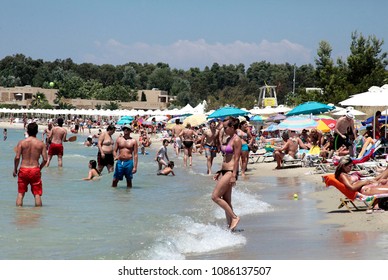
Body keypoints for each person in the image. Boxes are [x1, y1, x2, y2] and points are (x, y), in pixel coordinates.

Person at [212, 116, 242, 231]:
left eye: (226, 127)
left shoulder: (236, 140)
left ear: (232, 127)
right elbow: (226, 158)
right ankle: (230, 227)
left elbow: (236, 158)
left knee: (215, 196)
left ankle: (234, 217)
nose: (224, 130)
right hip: (225, 171)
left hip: (230, 172)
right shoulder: (229, 139)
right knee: (227, 200)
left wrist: (234, 175)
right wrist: (220, 171)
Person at [13, 122, 48, 207]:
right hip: (35, 169)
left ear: (27, 131)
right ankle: (37, 216)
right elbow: (45, 159)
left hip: (23, 169)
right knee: (37, 194)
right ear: (36, 131)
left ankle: (19, 214)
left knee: (20, 194)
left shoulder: (21, 143)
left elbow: (17, 157)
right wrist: (39, 168)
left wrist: (15, 169)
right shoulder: (41, 144)